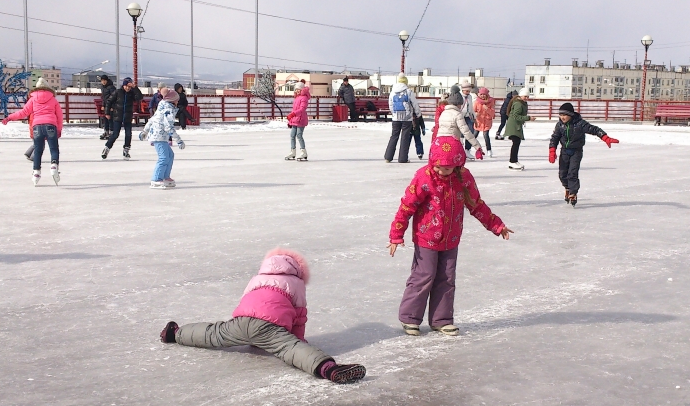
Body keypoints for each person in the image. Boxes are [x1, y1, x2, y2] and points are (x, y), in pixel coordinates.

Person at [158, 248, 367, 384]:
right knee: (291, 348)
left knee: (214, 333)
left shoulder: (256, 278)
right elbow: (300, 315)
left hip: (242, 321)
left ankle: (175, 334)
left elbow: (247, 300)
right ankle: (328, 369)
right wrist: (296, 339)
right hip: (269, 327)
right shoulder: (296, 283)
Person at [388, 137, 512, 336]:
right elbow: (406, 206)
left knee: (446, 278)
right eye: (437, 166)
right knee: (424, 275)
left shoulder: (463, 178)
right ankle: (410, 317)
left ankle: (441, 319)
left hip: (451, 238)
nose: (440, 171)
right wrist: (396, 234)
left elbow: (476, 204)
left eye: (446, 168)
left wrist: (496, 225)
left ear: (457, 164)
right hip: (426, 236)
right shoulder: (424, 177)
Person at [548, 102, 619, 206]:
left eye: (564, 115)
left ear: (570, 115)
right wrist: (552, 150)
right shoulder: (559, 125)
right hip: (564, 151)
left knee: (572, 173)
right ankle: (567, 188)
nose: (562, 117)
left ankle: (573, 193)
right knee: (562, 174)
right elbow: (554, 138)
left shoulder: (579, 124)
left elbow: (594, 129)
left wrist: (605, 137)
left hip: (576, 151)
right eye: (560, 115)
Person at [2, 78, 63, 186]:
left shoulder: (33, 99)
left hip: (37, 126)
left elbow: (24, 112)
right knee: (54, 149)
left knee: (38, 151)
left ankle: (36, 172)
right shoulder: (53, 99)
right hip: (50, 125)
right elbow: (59, 116)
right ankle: (54, 165)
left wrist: (9, 117)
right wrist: (59, 129)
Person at [139, 87, 185, 189]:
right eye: (177, 99)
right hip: (158, 137)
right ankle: (156, 179)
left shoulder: (162, 107)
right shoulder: (168, 110)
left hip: (160, 136)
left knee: (170, 155)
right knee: (163, 157)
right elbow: (168, 127)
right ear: (172, 100)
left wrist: (145, 131)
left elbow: (151, 119)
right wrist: (179, 140)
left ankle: (165, 177)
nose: (178, 101)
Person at [102, 77, 143, 160]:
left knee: (128, 134)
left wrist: (135, 87)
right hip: (118, 116)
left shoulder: (131, 94)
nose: (127, 88)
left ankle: (126, 150)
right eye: (126, 86)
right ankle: (107, 148)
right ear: (123, 85)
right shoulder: (118, 92)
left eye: (129, 86)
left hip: (127, 117)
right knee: (115, 134)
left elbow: (139, 97)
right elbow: (109, 101)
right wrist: (107, 112)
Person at [436, 91, 484, 159]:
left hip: (440, 143)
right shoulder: (458, 115)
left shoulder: (444, 113)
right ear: (458, 104)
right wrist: (478, 147)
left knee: (443, 165)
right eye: (461, 104)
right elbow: (466, 132)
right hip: (452, 144)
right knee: (456, 165)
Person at [383, 74, 417, 163]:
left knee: (394, 136)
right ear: (406, 82)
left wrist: (394, 113)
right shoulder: (408, 91)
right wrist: (418, 114)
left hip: (395, 118)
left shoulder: (392, 91)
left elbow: (390, 105)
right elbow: (415, 104)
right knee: (405, 137)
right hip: (407, 118)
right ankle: (403, 158)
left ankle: (388, 157)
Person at [503, 88, 534, 170]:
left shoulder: (521, 103)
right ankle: (512, 161)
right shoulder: (518, 104)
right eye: (525, 96)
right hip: (514, 126)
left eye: (527, 96)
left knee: (516, 143)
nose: (526, 98)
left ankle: (514, 161)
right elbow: (515, 116)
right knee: (516, 143)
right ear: (521, 96)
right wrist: (528, 118)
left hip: (516, 125)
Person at [287, 84, 310, 161]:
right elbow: (294, 110)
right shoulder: (297, 98)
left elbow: (302, 109)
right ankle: (292, 151)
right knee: (292, 135)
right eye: (296, 89)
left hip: (301, 119)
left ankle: (303, 152)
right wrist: (290, 121)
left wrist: (293, 114)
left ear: (302, 89)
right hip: (295, 120)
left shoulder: (304, 98)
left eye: (298, 89)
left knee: (299, 135)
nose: (297, 90)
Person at [473, 87, 495, 158]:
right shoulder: (476, 102)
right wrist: (476, 114)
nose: (482, 96)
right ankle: (468, 149)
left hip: (487, 122)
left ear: (487, 94)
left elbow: (493, 114)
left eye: (484, 94)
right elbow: (473, 111)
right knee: (474, 136)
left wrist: (487, 109)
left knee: (486, 136)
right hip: (478, 122)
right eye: (481, 94)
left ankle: (489, 150)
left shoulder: (491, 102)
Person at [459, 81, 478, 154]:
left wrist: (475, 118)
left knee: (470, 132)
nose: (468, 92)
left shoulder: (470, 96)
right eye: (467, 91)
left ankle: (467, 149)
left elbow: (471, 108)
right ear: (463, 89)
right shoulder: (460, 96)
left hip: (468, 116)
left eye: (469, 91)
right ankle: (460, 148)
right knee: (461, 133)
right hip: (461, 116)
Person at [98, 75, 116, 140]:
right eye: (102, 81)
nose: (103, 82)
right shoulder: (102, 87)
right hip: (106, 105)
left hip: (110, 105)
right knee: (105, 119)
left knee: (110, 119)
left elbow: (114, 97)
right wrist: (103, 105)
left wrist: (113, 106)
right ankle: (106, 131)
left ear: (107, 80)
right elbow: (103, 97)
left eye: (104, 80)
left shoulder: (111, 87)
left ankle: (111, 132)